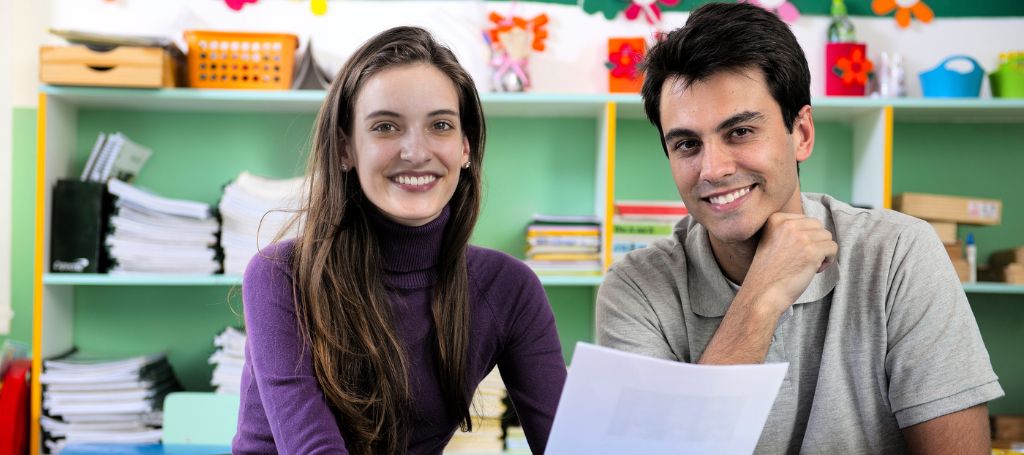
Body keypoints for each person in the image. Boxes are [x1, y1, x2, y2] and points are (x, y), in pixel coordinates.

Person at [596, 3, 1003, 453]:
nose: (711, 169)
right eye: (688, 144)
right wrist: (763, 295)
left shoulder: (898, 253)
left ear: (802, 134)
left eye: (740, 132)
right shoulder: (634, 288)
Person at [233, 26, 567, 455]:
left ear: (465, 147)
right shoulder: (281, 276)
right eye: (386, 126)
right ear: (344, 149)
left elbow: (569, 442)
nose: (415, 151)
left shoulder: (509, 288)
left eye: (440, 125)